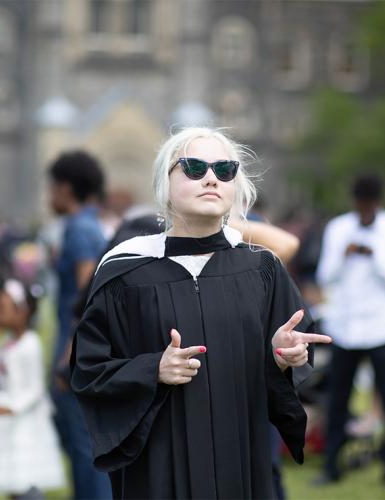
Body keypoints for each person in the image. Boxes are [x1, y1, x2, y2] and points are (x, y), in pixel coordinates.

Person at [69, 127, 330, 499]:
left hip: (241, 460)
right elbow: (89, 371)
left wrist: (283, 357)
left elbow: (285, 375)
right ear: (165, 181)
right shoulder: (125, 274)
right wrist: (152, 369)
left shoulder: (263, 271)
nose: (211, 178)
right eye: (193, 167)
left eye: (225, 170)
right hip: (160, 466)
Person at [315, 174, 385, 490]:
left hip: (384, 329)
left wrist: (375, 255)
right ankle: (331, 465)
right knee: (337, 401)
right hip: (345, 329)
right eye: (360, 205)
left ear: (379, 202)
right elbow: (324, 276)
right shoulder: (338, 228)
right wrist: (345, 254)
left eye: (369, 205)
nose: (364, 210)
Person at [48, 151, 112, 499]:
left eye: (52, 187)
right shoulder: (91, 224)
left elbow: (91, 297)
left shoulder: (79, 229)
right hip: (82, 351)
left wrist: (68, 357)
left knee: (84, 449)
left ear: (65, 188)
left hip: (77, 354)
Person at [0, 279, 65, 497]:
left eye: (3, 309)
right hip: (5, 422)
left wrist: (15, 407)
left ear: (22, 312)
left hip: (24, 422)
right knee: (11, 476)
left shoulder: (30, 344)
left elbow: (36, 387)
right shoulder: (6, 343)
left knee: (25, 475)